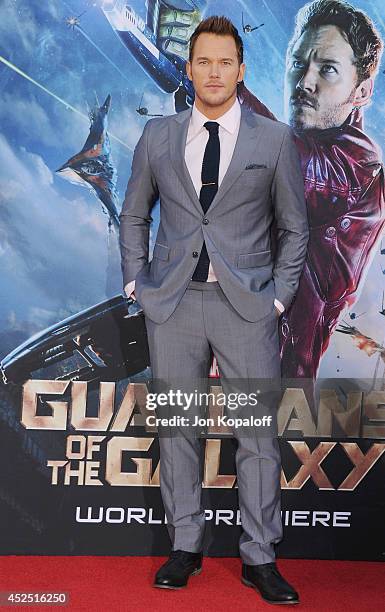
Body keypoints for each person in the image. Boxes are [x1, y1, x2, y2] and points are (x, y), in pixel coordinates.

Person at [119, 16, 308, 605]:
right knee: (178, 428)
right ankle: (185, 546)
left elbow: (293, 228)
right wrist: (136, 284)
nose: (215, 72)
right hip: (172, 306)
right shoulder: (158, 136)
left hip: (247, 307)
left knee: (255, 435)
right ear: (190, 67)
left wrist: (276, 297)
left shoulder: (273, 140)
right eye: (204, 61)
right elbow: (134, 216)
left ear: (241, 70)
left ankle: (259, 556)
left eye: (226, 62)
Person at [239, 0, 384, 379]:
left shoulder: (359, 166)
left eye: (328, 69)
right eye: (299, 63)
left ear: (362, 91)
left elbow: (291, 165)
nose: (305, 81)